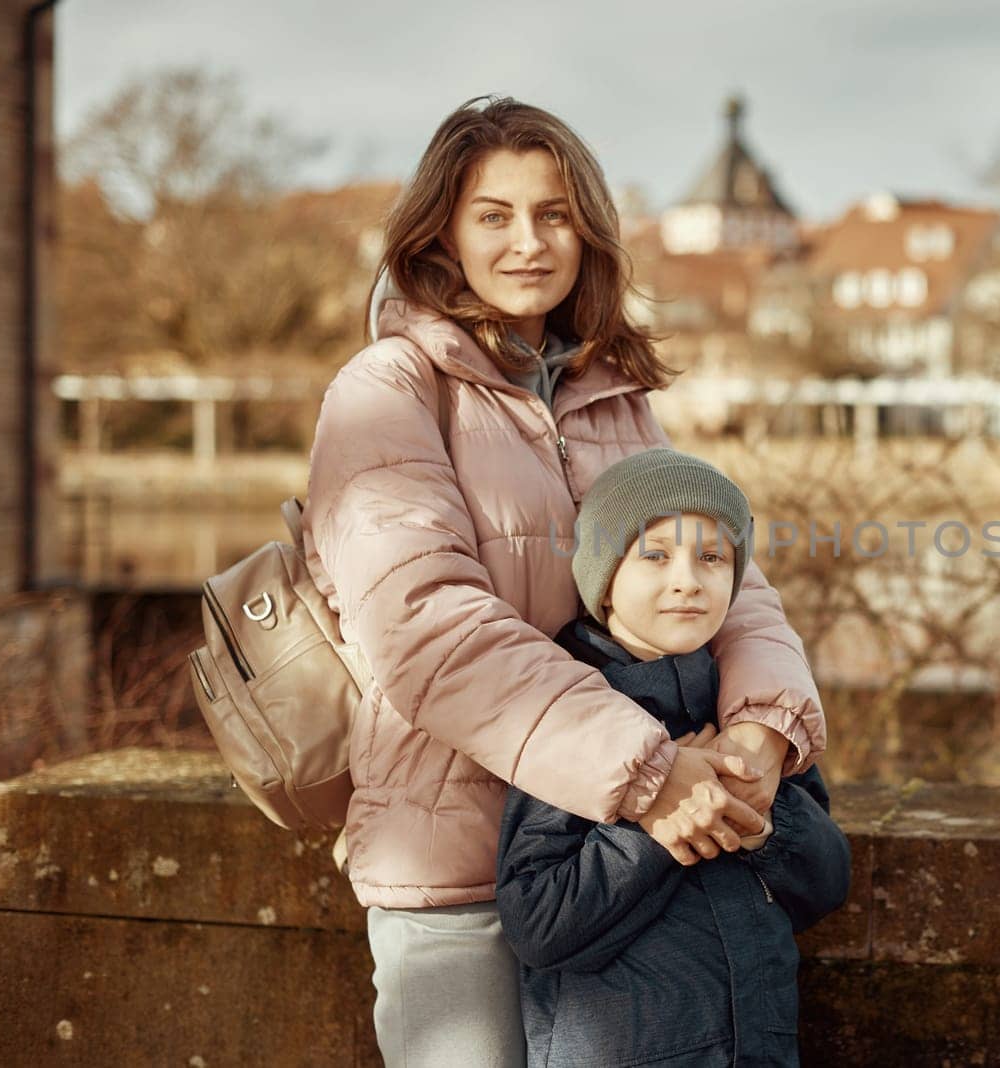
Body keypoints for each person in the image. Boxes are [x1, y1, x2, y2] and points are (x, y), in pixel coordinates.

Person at [302, 97, 826, 1067]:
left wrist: (762, 729)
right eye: (493, 215)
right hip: (458, 859)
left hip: (615, 870)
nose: (529, 242)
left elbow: (730, 583)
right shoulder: (385, 391)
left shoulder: (614, 399)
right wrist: (650, 770)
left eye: (553, 214)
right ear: (442, 233)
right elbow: (424, 628)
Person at [496, 449, 852, 1067]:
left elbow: (827, 883)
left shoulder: (747, 711)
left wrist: (764, 822)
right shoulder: (576, 713)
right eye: (655, 555)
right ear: (604, 579)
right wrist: (658, 831)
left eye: (712, 557)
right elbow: (539, 923)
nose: (688, 579)